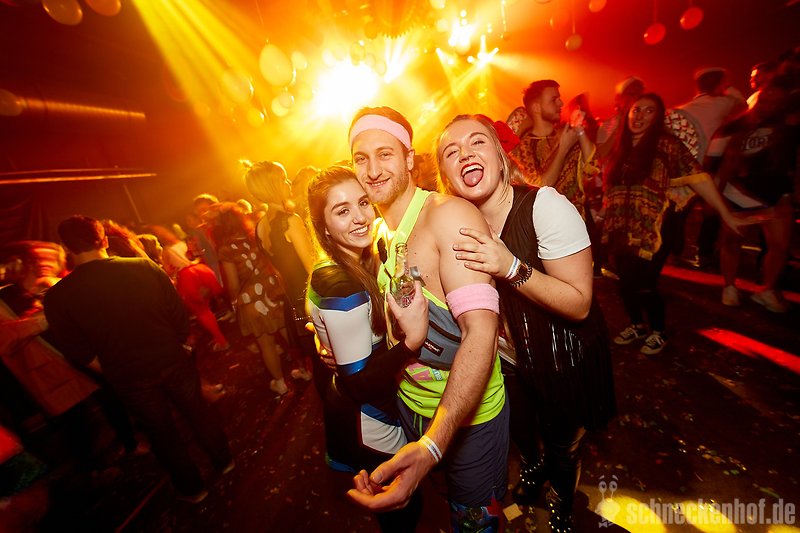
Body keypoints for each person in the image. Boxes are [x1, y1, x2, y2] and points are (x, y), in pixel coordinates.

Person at [438, 114, 616, 533]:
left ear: (500, 157)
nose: (465, 154)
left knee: (562, 445)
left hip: (564, 358)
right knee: (522, 432)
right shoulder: (455, 225)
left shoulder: (545, 207)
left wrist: (510, 266)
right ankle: (535, 470)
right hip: (507, 362)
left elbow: (579, 304)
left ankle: (563, 499)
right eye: (451, 151)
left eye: (477, 142)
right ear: (445, 177)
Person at [346, 106, 508, 531]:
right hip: (411, 406)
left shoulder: (447, 217)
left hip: (469, 418)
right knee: (441, 500)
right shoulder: (378, 234)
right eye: (361, 158)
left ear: (409, 159)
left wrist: (434, 445)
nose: (373, 170)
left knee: (475, 524)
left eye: (385, 154)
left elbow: (480, 331)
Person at [44, 216, 232, 503]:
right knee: (197, 411)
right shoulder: (142, 267)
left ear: (67, 249)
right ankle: (225, 461)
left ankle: (194, 489)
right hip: (171, 358)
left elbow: (77, 351)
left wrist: (110, 369)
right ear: (103, 240)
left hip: (129, 376)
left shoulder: (58, 297)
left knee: (161, 432)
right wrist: (180, 345)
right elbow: (178, 314)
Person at [305, 165, 429, 531]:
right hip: (368, 416)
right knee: (401, 509)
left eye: (362, 203)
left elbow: (318, 317)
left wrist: (322, 337)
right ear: (324, 226)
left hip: (363, 403)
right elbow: (359, 383)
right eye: (342, 210)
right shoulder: (342, 285)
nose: (360, 217)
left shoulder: (350, 261)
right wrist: (411, 343)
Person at [602, 94, 746, 354]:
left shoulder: (667, 144)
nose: (640, 115)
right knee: (625, 283)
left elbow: (698, 178)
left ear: (658, 117)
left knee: (645, 284)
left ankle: (659, 331)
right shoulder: (620, 148)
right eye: (636, 109)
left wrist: (726, 213)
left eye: (649, 111)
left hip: (655, 228)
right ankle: (637, 325)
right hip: (620, 228)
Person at [718, 76, 798, 312]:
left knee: (780, 246)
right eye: (765, 100)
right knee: (732, 241)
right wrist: (717, 191)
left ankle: (767, 290)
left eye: (775, 102)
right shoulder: (737, 125)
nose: (768, 106)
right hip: (740, 191)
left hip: (778, 192)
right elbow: (725, 161)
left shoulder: (790, 127)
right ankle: (729, 287)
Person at [205, 203, 292, 395]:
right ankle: (305, 369)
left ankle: (280, 384)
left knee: (266, 345)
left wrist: (234, 303)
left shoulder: (226, 249)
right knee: (288, 333)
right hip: (272, 290)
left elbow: (233, 284)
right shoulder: (255, 237)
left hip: (252, 299)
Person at [244, 161, 316, 382]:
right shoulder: (289, 221)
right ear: (273, 186)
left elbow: (277, 269)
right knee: (329, 360)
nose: (288, 183)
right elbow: (313, 268)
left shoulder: (260, 226)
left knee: (317, 360)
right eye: (283, 179)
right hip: (311, 296)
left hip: (292, 299)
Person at [511, 79, 595, 219]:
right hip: (547, 223)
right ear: (536, 107)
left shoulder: (567, 134)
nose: (561, 103)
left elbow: (592, 168)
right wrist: (563, 149)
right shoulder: (523, 148)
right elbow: (540, 187)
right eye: (554, 100)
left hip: (577, 219)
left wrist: (580, 130)